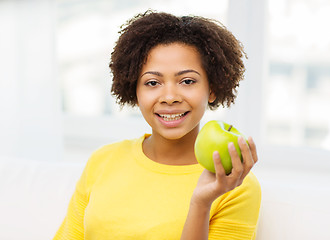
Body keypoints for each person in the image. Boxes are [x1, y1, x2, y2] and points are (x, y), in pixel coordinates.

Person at [54, 10, 261, 240]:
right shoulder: (102, 161)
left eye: (187, 81)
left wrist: (201, 204)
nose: (169, 96)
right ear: (135, 89)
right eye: (152, 82)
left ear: (212, 89)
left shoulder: (235, 184)